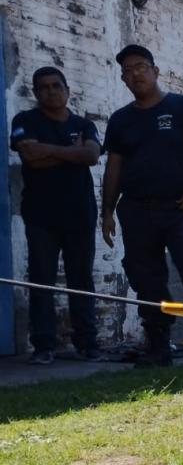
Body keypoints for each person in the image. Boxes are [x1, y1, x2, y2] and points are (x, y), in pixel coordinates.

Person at [101, 44, 183, 368]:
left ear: (155, 71)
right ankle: (158, 348)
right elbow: (113, 168)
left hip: (178, 209)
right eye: (127, 71)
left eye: (140, 66)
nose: (134, 74)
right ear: (123, 79)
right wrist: (107, 211)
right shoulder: (120, 120)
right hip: (135, 210)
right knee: (147, 280)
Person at [9, 66, 103, 365]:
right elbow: (30, 159)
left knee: (81, 280)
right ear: (36, 93)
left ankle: (87, 344)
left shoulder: (84, 124)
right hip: (41, 216)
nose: (51, 91)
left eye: (56, 86)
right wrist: (71, 153)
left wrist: (48, 150)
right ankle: (44, 346)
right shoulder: (25, 121)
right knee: (42, 281)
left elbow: (91, 156)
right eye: (43, 87)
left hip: (80, 214)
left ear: (67, 90)